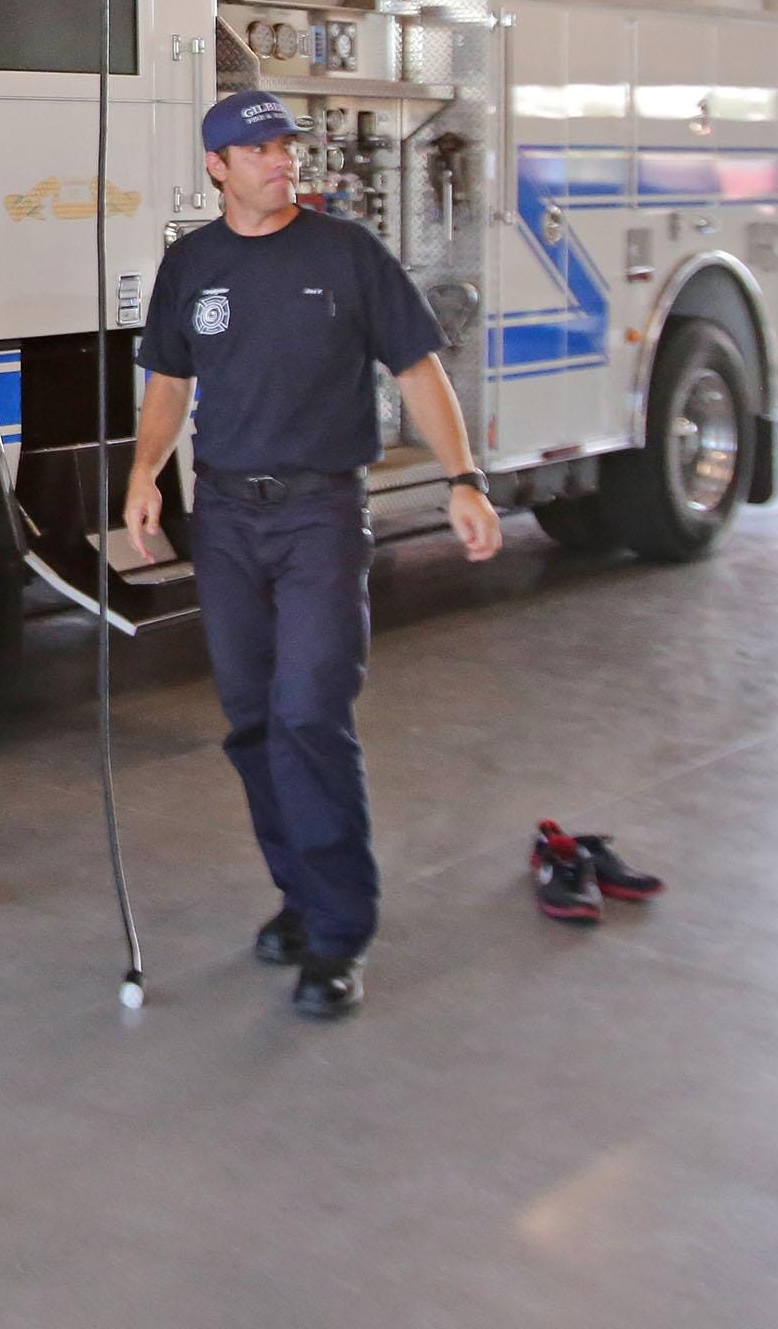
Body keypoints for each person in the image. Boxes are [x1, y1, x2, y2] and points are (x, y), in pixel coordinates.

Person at [120, 90, 503, 1020]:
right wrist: (143, 476)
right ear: (217, 166)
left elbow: (418, 366)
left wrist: (463, 476)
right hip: (224, 519)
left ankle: (337, 934)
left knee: (309, 714)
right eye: (259, 150)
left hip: (321, 517)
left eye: (285, 146)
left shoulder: (346, 255)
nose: (280, 160)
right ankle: (298, 894)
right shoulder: (192, 264)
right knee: (252, 722)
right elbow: (170, 379)